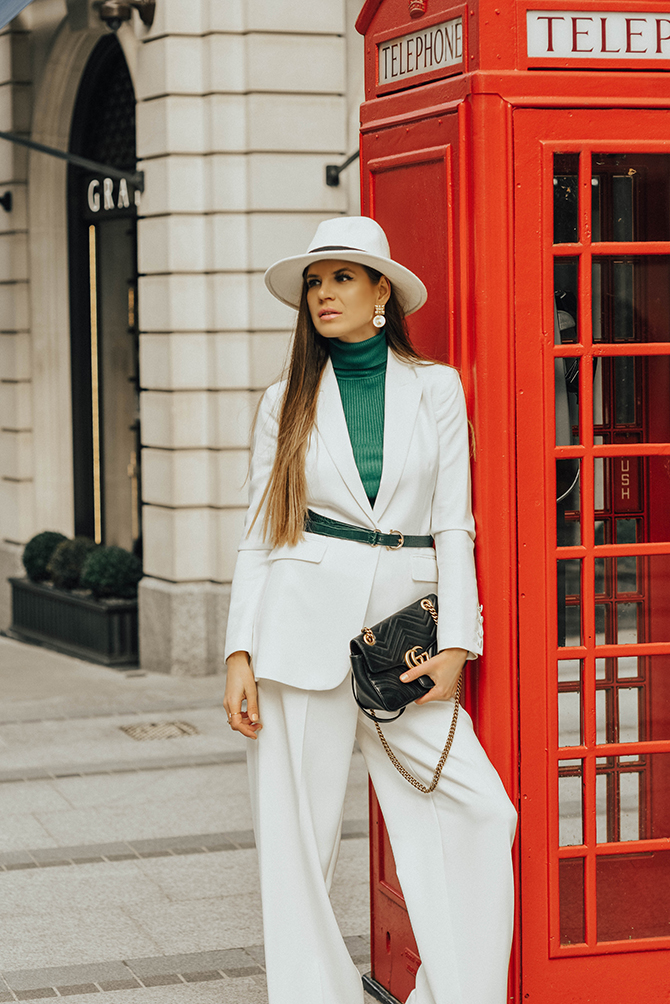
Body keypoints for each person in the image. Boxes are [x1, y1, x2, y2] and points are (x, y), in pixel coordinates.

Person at [223, 216, 517, 1004]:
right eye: (316, 282)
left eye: (343, 278)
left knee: (485, 814)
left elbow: (454, 522)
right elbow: (258, 533)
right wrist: (237, 653)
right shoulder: (282, 400)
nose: (324, 294)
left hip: (404, 649)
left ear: (381, 290)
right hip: (295, 631)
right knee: (297, 852)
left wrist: (459, 640)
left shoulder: (436, 386)